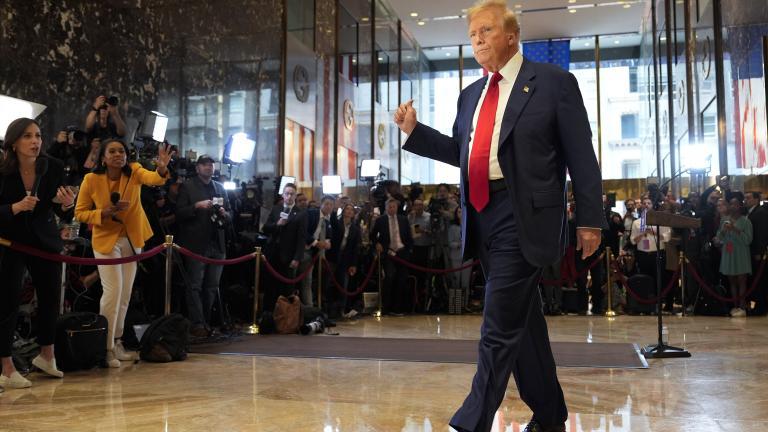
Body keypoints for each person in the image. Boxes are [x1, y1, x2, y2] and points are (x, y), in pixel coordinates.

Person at [393, 1, 604, 430]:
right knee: (521, 322)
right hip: (481, 214)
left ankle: (473, 421)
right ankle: (549, 415)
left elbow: (582, 157)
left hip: (525, 213)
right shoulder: (471, 94)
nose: (478, 40)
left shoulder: (553, 83)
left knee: (498, 320)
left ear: (512, 35)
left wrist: (590, 219)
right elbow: (462, 152)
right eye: (472, 34)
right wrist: (415, 131)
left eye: (486, 31)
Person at [75, 138, 173, 367]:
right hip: (105, 239)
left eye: (122, 151)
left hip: (132, 238)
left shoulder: (136, 171)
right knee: (112, 292)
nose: (118, 154)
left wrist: (161, 167)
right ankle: (105, 347)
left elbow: (155, 179)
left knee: (125, 294)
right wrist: (103, 213)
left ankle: (117, 342)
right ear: (103, 157)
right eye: (112, 151)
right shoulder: (91, 179)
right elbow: (80, 213)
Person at [0, 118, 76, 389]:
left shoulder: (52, 166)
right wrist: (16, 207)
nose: (35, 142)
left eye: (38, 136)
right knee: (8, 300)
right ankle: (6, 367)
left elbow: (59, 209)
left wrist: (67, 205)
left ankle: (47, 355)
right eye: (27, 136)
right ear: (13, 141)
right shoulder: (2, 168)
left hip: (44, 240)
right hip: (10, 241)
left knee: (51, 297)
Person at [175, 155, 231, 337]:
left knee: (212, 286)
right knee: (195, 286)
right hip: (196, 243)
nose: (209, 167)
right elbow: (179, 213)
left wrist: (225, 213)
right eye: (205, 165)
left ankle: (206, 322)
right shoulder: (188, 186)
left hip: (217, 243)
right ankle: (197, 323)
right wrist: (196, 206)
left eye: (211, 165)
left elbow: (231, 215)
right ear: (197, 168)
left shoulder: (220, 188)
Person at [262, 183, 308, 312]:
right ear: (283, 195)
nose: (289, 196)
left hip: (288, 256)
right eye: (287, 193)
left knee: (286, 288)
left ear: (295, 196)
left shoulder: (300, 214)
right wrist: (277, 224)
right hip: (272, 254)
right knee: (270, 287)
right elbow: (265, 229)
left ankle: (286, 318)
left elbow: (301, 238)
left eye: (292, 194)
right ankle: (267, 316)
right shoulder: (276, 209)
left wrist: (297, 258)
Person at [371, 198, 414, 315]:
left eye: (393, 206)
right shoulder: (381, 220)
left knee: (401, 279)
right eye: (389, 207)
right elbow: (373, 235)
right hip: (388, 253)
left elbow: (409, 237)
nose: (392, 209)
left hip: (402, 252)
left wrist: (408, 250)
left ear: (396, 207)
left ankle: (398, 308)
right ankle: (386, 307)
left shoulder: (403, 219)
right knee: (389, 277)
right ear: (386, 208)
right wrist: (377, 243)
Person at [717, 197, 753, 317]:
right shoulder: (724, 220)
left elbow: (748, 239)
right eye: (731, 204)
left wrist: (734, 228)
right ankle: (735, 306)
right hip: (729, 251)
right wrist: (723, 231)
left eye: (735, 204)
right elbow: (719, 237)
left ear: (740, 206)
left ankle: (742, 307)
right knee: (732, 280)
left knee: (741, 280)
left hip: (741, 252)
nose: (733, 207)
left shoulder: (746, 221)